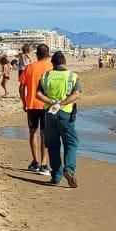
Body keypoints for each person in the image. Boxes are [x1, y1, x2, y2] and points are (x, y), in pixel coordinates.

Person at [36, 51, 81, 187]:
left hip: (49, 113)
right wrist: (63, 103)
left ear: (53, 63)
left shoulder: (46, 75)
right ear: (64, 63)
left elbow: (38, 94)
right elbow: (76, 95)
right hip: (66, 114)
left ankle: (56, 175)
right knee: (71, 143)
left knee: (53, 145)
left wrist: (51, 101)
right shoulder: (72, 76)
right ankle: (69, 169)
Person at [18, 43, 53, 174]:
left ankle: (35, 161)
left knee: (33, 133)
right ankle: (44, 163)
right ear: (48, 55)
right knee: (45, 134)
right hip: (47, 104)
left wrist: (24, 102)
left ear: (37, 54)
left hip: (32, 104)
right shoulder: (52, 67)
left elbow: (21, 88)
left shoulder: (30, 67)